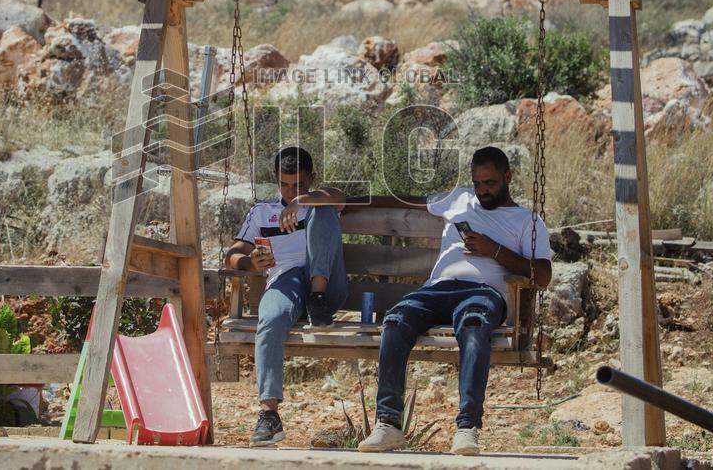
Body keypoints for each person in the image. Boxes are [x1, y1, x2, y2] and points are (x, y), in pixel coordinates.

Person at [355, 146, 553, 456]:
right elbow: (406, 200)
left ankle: (467, 427)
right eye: (477, 183)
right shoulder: (459, 198)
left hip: (482, 292)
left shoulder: (526, 220)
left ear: (508, 177)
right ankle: (389, 423)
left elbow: (543, 275)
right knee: (394, 321)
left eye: (489, 183)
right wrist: (346, 202)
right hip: (438, 288)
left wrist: (494, 250)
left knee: (474, 324)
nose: (482, 191)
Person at [223, 146, 349, 447]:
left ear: (311, 179)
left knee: (324, 210)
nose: (291, 191)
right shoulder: (262, 212)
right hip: (286, 281)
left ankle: (316, 298)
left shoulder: (319, 202)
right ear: (276, 180)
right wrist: (250, 263)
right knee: (271, 319)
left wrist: (304, 200)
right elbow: (233, 255)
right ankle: (269, 414)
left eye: (300, 184)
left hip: (327, 284)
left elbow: (339, 196)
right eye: (285, 184)